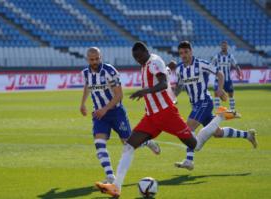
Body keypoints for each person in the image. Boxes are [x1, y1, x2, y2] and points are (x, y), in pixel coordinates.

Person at [94, 42, 237, 197]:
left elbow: (162, 83)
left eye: (140, 57)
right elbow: (164, 73)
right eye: (135, 58)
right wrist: (169, 66)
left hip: (167, 114)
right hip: (151, 117)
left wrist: (144, 91)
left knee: (195, 146)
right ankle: (116, 187)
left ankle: (220, 116)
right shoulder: (148, 63)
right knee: (129, 146)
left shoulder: (153, 62)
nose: (138, 60)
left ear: (146, 52)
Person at [80, 47, 161, 184]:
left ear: (101, 57)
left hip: (116, 113)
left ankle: (147, 142)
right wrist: (82, 103)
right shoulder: (86, 73)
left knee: (128, 142)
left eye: (97, 59)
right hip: (99, 114)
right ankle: (110, 176)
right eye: (92, 59)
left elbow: (119, 95)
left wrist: (105, 109)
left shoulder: (109, 71)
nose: (95, 62)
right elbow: (88, 86)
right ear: (87, 59)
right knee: (99, 143)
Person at [173, 41, 257, 171]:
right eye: (181, 53)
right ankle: (248, 135)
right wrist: (172, 97)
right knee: (217, 133)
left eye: (186, 52)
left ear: (191, 51)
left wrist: (220, 89)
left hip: (204, 102)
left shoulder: (201, 64)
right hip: (195, 105)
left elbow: (220, 74)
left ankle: (189, 161)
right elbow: (179, 86)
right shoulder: (179, 69)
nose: (183, 55)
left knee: (188, 128)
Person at [212, 41, 243, 109]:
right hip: (218, 80)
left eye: (225, 46)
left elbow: (236, 66)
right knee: (216, 94)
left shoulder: (230, 56)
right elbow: (211, 66)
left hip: (228, 79)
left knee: (231, 95)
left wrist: (240, 75)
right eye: (222, 46)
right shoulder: (216, 56)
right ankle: (218, 111)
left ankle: (232, 110)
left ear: (227, 47)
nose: (224, 47)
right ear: (221, 47)